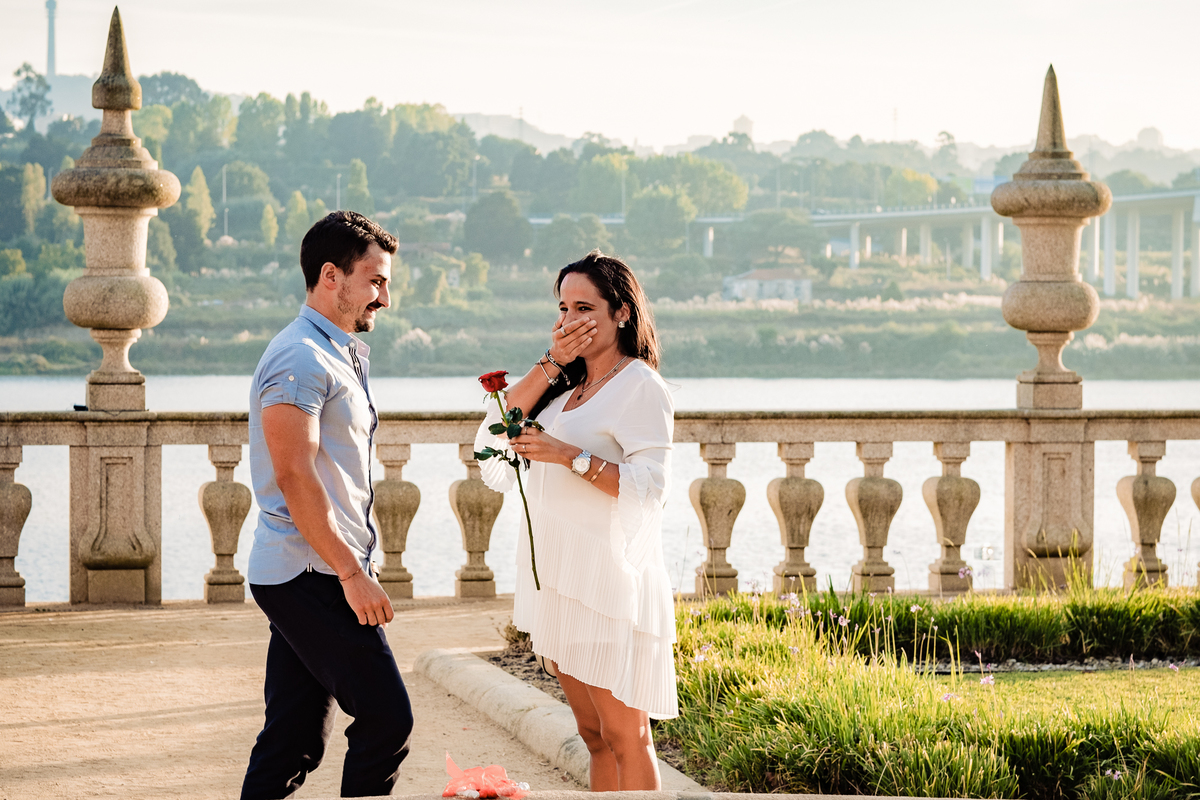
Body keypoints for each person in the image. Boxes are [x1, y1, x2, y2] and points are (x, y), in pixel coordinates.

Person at [475, 250, 678, 791]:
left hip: (608, 582)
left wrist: (570, 456)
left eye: (584, 307)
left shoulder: (641, 387)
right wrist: (548, 362)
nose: (569, 319)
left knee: (626, 735)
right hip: (560, 581)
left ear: (622, 313)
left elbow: (650, 488)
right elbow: (489, 442)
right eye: (562, 307)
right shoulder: (561, 392)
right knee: (591, 735)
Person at [241, 211, 412, 799]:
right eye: (375, 280)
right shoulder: (300, 359)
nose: (385, 297)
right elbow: (294, 475)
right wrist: (350, 574)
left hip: (308, 567)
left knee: (292, 739)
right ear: (331, 276)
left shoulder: (337, 352)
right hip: (309, 571)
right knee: (388, 721)